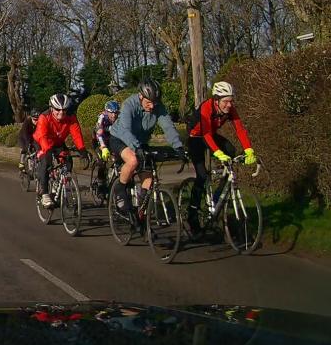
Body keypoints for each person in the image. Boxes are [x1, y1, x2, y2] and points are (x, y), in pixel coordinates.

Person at [184, 81, 258, 237]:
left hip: (210, 134)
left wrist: (249, 150)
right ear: (216, 100)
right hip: (196, 137)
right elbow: (205, 135)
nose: (229, 105)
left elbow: (240, 129)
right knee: (202, 176)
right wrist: (217, 153)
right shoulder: (206, 107)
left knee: (231, 151)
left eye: (231, 101)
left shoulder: (230, 108)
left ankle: (218, 196)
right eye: (225, 101)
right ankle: (192, 216)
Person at [108, 78, 187, 215]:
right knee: (133, 160)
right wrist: (137, 149)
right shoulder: (129, 105)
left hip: (140, 141)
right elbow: (126, 130)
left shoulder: (158, 107)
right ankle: (120, 189)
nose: (152, 106)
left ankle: (141, 211)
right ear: (140, 96)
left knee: (149, 178)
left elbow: (168, 127)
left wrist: (178, 147)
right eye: (148, 102)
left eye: (154, 103)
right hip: (120, 138)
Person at [33, 93, 88, 208]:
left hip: (58, 143)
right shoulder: (44, 117)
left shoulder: (71, 117)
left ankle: (57, 185)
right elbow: (42, 136)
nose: (61, 113)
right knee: (45, 162)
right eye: (57, 109)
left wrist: (82, 150)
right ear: (52, 108)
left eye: (64, 110)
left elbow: (76, 134)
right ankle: (45, 194)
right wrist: (47, 151)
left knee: (67, 162)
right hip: (42, 142)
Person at [90, 100, 120, 194]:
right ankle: (100, 183)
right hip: (99, 140)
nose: (114, 115)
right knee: (102, 161)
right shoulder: (102, 117)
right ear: (107, 111)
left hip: (111, 140)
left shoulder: (120, 117)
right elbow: (99, 134)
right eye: (111, 112)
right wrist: (103, 147)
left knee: (120, 159)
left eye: (116, 112)